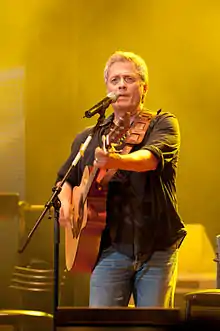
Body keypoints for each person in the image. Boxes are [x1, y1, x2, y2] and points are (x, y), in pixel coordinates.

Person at [56, 50, 186, 308]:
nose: (121, 85)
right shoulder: (89, 137)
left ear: (144, 87)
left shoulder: (162, 124)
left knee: (152, 327)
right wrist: (66, 205)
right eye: (114, 80)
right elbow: (65, 181)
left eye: (129, 79)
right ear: (107, 88)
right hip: (107, 249)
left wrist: (115, 161)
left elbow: (150, 159)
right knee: (102, 326)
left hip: (156, 248)